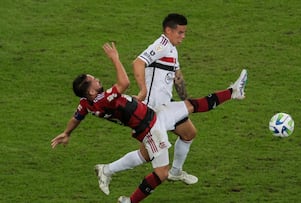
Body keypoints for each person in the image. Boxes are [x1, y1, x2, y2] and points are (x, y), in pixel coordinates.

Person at [51, 42, 247, 203]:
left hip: (154, 114)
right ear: (91, 91)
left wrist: (67, 132)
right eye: (93, 80)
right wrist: (115, 59)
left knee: (191, 105)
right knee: (161, 173)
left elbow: (77, 117)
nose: (97, 79)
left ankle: (233, 92)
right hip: (151, 129)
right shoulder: (104, 99)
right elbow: (124, 83)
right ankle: (128, 200)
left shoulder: (86, 103)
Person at [95, 14, 197, 196]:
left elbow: (177, 77)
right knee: (149, 158)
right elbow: (138, 62)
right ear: (168, 30)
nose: (183, 36)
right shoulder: (162, 45)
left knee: (189, 133)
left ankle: (175, 172)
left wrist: (185, 102)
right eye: (180, 32)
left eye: (184, 32)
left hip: (166, 106)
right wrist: (142, 90)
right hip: (151, 112)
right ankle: (107, 170)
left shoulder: (172, 49)